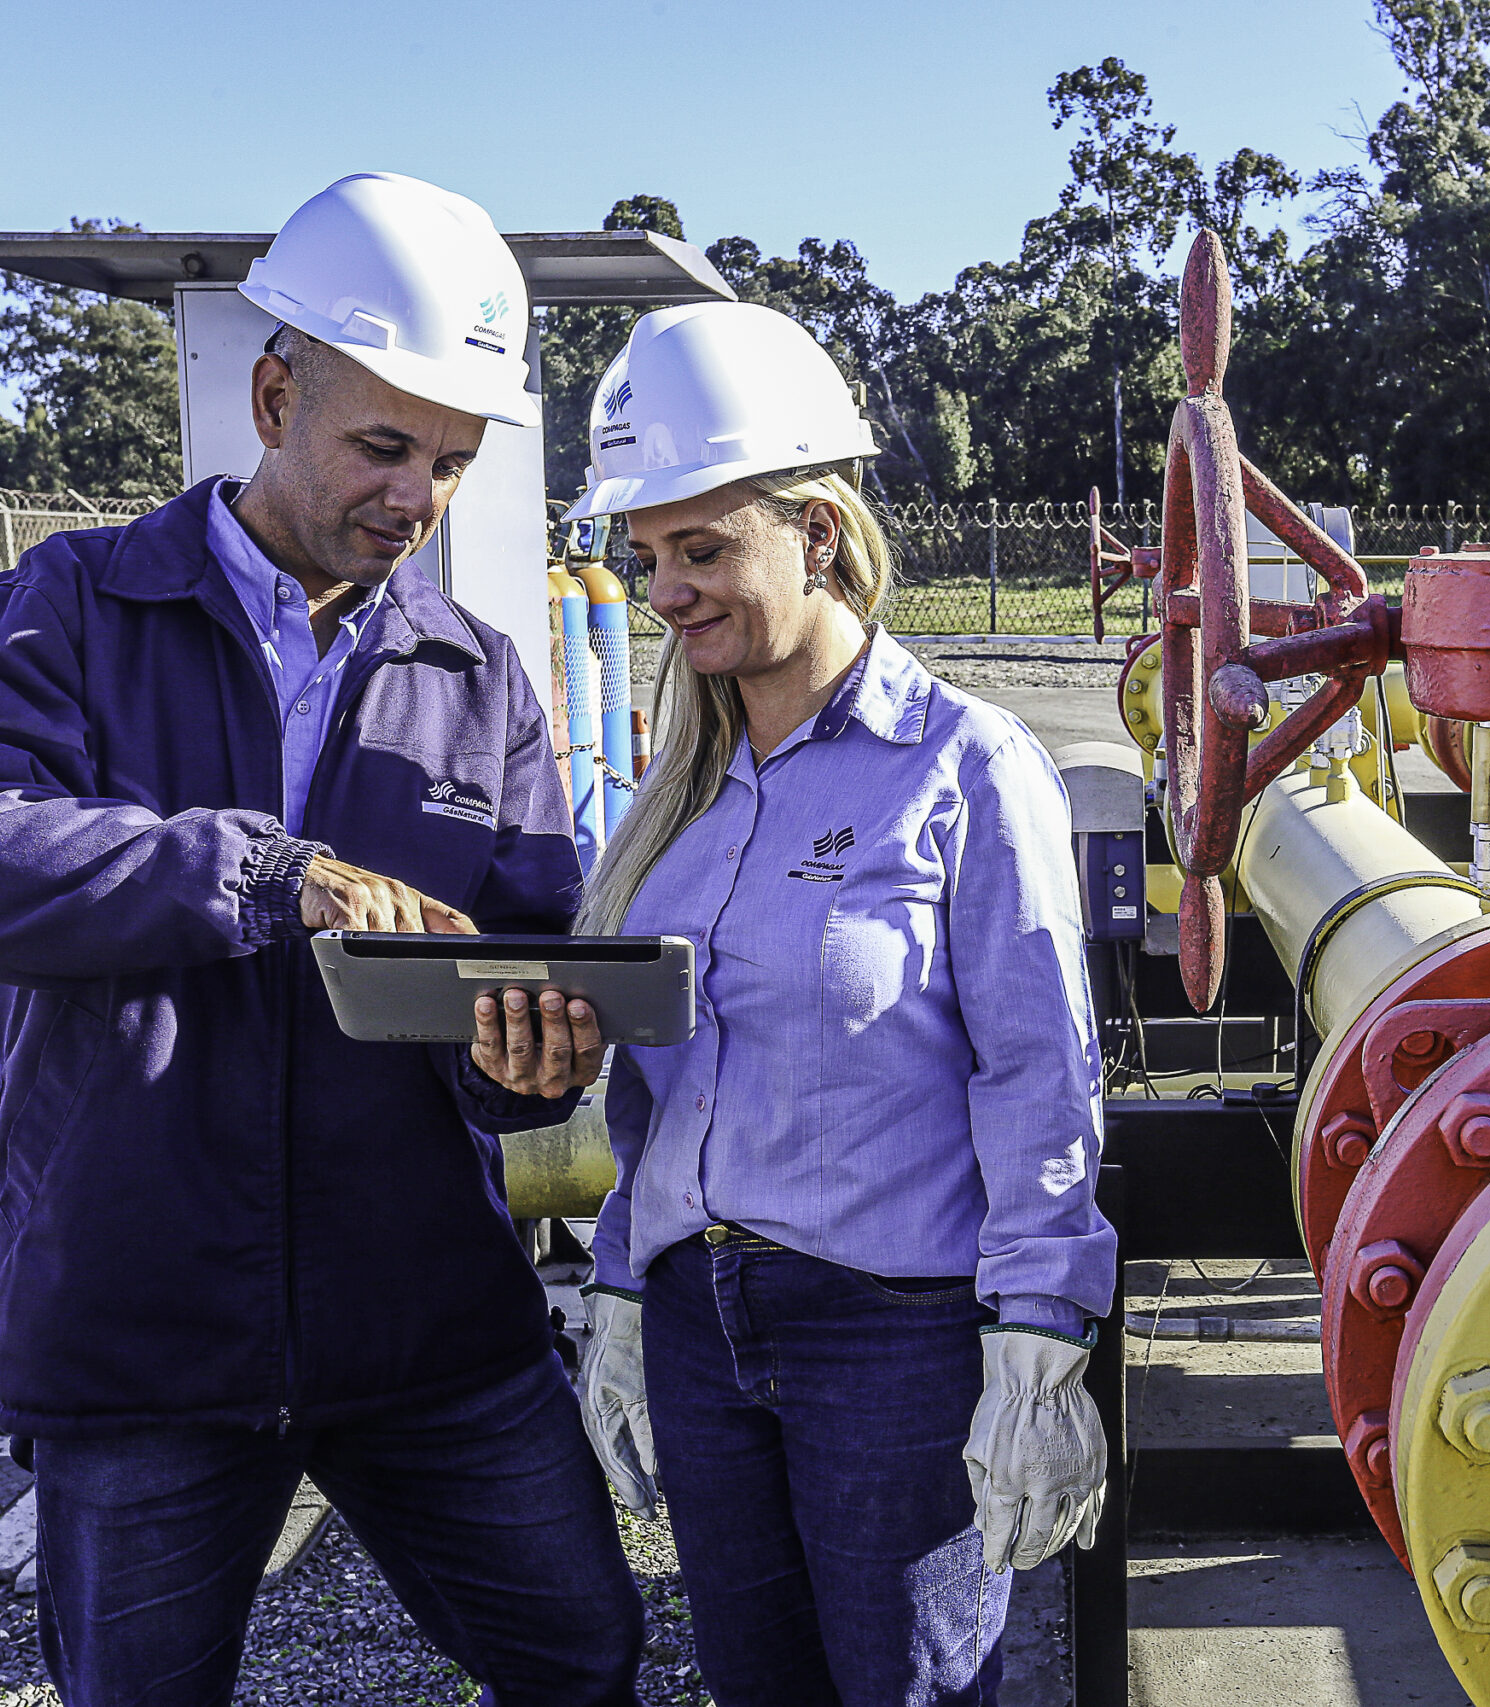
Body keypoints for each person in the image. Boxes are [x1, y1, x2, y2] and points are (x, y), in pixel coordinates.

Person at [0, 173, 643, 1707]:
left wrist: (530, 1064)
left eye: (453, 463)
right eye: (383, 446)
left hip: (426, 1321)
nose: (417, 498)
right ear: (275, 395)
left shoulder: (478, 676)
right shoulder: (70, 611)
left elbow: (527, 947)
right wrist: (264, 875)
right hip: (143, 1336)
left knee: (586, 1655)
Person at [563, 303, 1117, 1707]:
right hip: (698, 1323)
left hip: (891, 1338)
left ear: (817, 531)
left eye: (701, 549)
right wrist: (621, 1287)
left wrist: (1042, 1334)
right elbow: (661, 1095)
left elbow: (1040, 1070)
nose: (667, 589)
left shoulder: (965, 768)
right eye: (647, 558)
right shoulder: (677, 806)